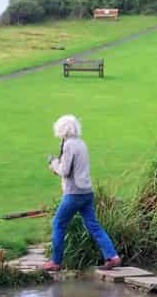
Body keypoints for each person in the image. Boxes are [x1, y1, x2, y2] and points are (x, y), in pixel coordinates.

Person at [41, 115, 121, 271]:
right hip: (87, 192)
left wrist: (53, 163)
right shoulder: (81, 143)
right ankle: (112, 256)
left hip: (74, 194)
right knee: (93, 225)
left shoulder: (69, 145)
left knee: (58, 223)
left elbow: (64, 171)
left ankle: (55, 262)